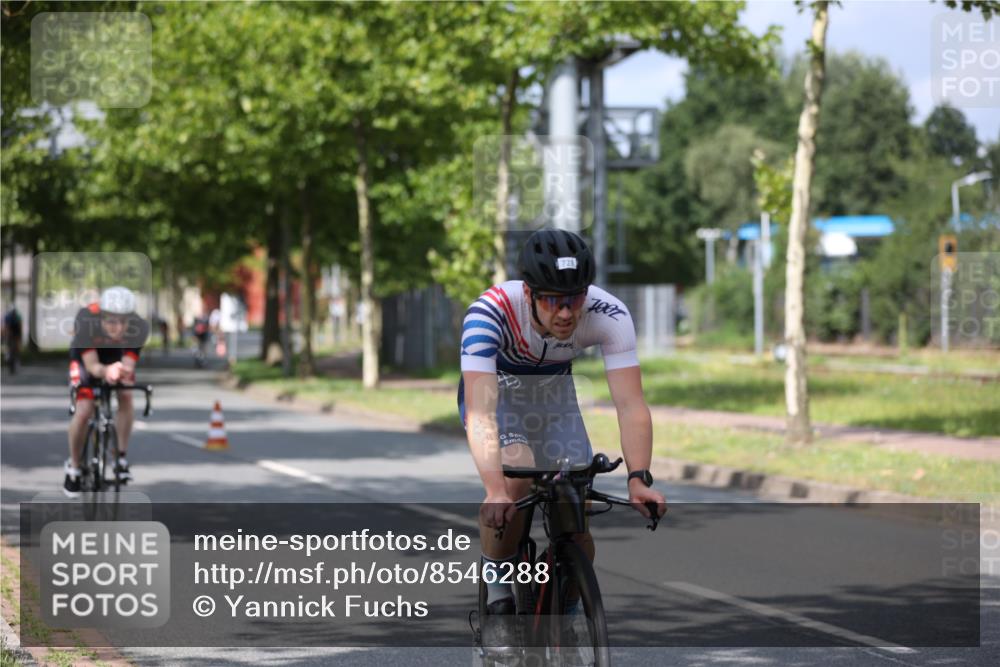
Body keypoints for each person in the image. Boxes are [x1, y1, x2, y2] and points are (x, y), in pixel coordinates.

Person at [459, 228, 666, 651]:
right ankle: (497, 587)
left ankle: (569, 610)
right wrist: (495, 489)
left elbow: (631, 404)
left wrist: (639, 478)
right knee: (515, 476)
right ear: (529, 293)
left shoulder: (610, 313)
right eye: (553, 300)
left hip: (554, 396)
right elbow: (481, 412)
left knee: (575, 502)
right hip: (497, 393)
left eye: (574, 298)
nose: (567, 312)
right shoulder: (490, 312)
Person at [65, 286, 148, 497]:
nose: (118, 328)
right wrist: (106, 371)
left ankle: (120, 457)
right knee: (84, 410)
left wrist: (120, 371)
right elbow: (93, 368)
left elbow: (128, 365)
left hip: (115, 357)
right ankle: (74, 467)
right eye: (111, 321)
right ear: (101, 316)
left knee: (126, 393)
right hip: (86, 359)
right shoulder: (85, 322)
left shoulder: (139, 327)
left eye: (123, 321)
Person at [2, 305, 23, 374]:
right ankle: (16, 361)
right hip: (15, 336)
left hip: (10, 336)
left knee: (8, 349)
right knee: (16, 350)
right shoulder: (18, 316)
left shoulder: (7, 317)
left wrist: (4, 336)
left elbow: (5, 327)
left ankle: (8, 358)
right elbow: (20, 327)